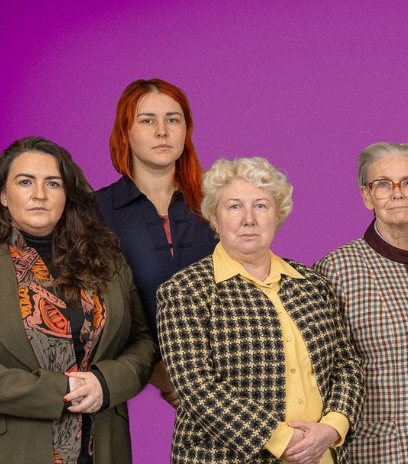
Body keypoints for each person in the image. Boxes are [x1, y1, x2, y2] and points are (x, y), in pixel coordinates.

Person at [156, 156, 364, 464]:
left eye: (261, 206)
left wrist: (332, 428)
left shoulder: (312, 284)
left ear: (277, 215)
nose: (249, 219)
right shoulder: (184, 291)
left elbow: (347, 365)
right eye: (235, 206)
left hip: (321, 456)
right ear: (214, 217)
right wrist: (283, 441)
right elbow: (198, 388)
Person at [0, 137, 157, 464]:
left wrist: (107, 382)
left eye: (52, 183)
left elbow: (142, 341)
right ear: (3, 195)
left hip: (104, 445)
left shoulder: (106, 258)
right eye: (25, 181)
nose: (39, 194)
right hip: (16, 447)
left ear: (67, 194)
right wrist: (58, 390)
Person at [314, 142, 408, 463]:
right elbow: (323, 375)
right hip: (378, 453)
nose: (397, 193)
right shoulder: (336, 269)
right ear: (366, 196)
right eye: (383, 184)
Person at [95, 79, 216, 407]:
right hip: (132, 386)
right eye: (147, 120)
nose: (162, 131)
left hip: (224, 381)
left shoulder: (219, 203)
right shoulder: (93, 211)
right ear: (126, 131)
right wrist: (155, 371)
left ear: (186, 130)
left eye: (173, 119)